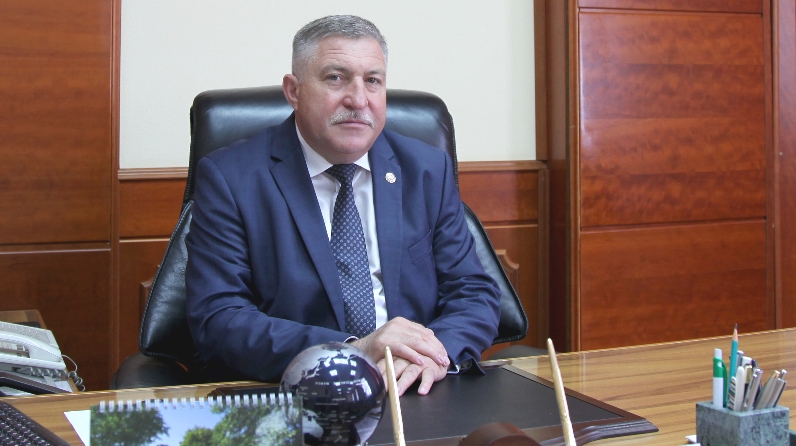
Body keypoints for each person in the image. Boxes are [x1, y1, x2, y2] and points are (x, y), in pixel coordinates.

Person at [185, 15, 500, 396]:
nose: (358, 100)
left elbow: (473, 291)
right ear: (294, 91)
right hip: (300, 392)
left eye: (373, 81)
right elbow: (219, 318)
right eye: (336, 78)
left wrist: (433, 354)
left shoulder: (426, 169)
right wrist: (353, 351)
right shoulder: (231, 177)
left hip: (416, 388)